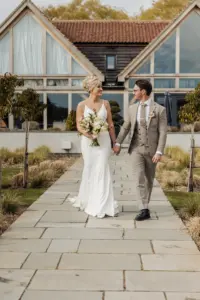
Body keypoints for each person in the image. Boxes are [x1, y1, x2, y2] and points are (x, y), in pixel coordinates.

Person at [113, 79, 167, 221]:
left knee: (149, 179)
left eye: (135, 90)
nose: (134, 92)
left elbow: (163, 132)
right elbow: (125, 127)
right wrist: (118, 142)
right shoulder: (132, 108)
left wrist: (159, 151)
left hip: (152, 150)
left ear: (143, 92)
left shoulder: (160, 110)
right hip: (136, 148)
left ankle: (145, 205)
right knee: (138, 178)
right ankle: (143, 208)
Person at [69, 75, 118, 218]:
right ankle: (88, 199)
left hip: (103, 141)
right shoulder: (81, 105)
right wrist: (89, 134)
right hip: (88, 142)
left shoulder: (106, 104)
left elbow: (110, 125)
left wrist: (115, 143)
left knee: (102, 168)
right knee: (90, 167)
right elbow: (79, 126)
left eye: (101, 86)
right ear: (91, 89)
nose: (101, 89)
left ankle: (103, 203)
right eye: (99, 87)